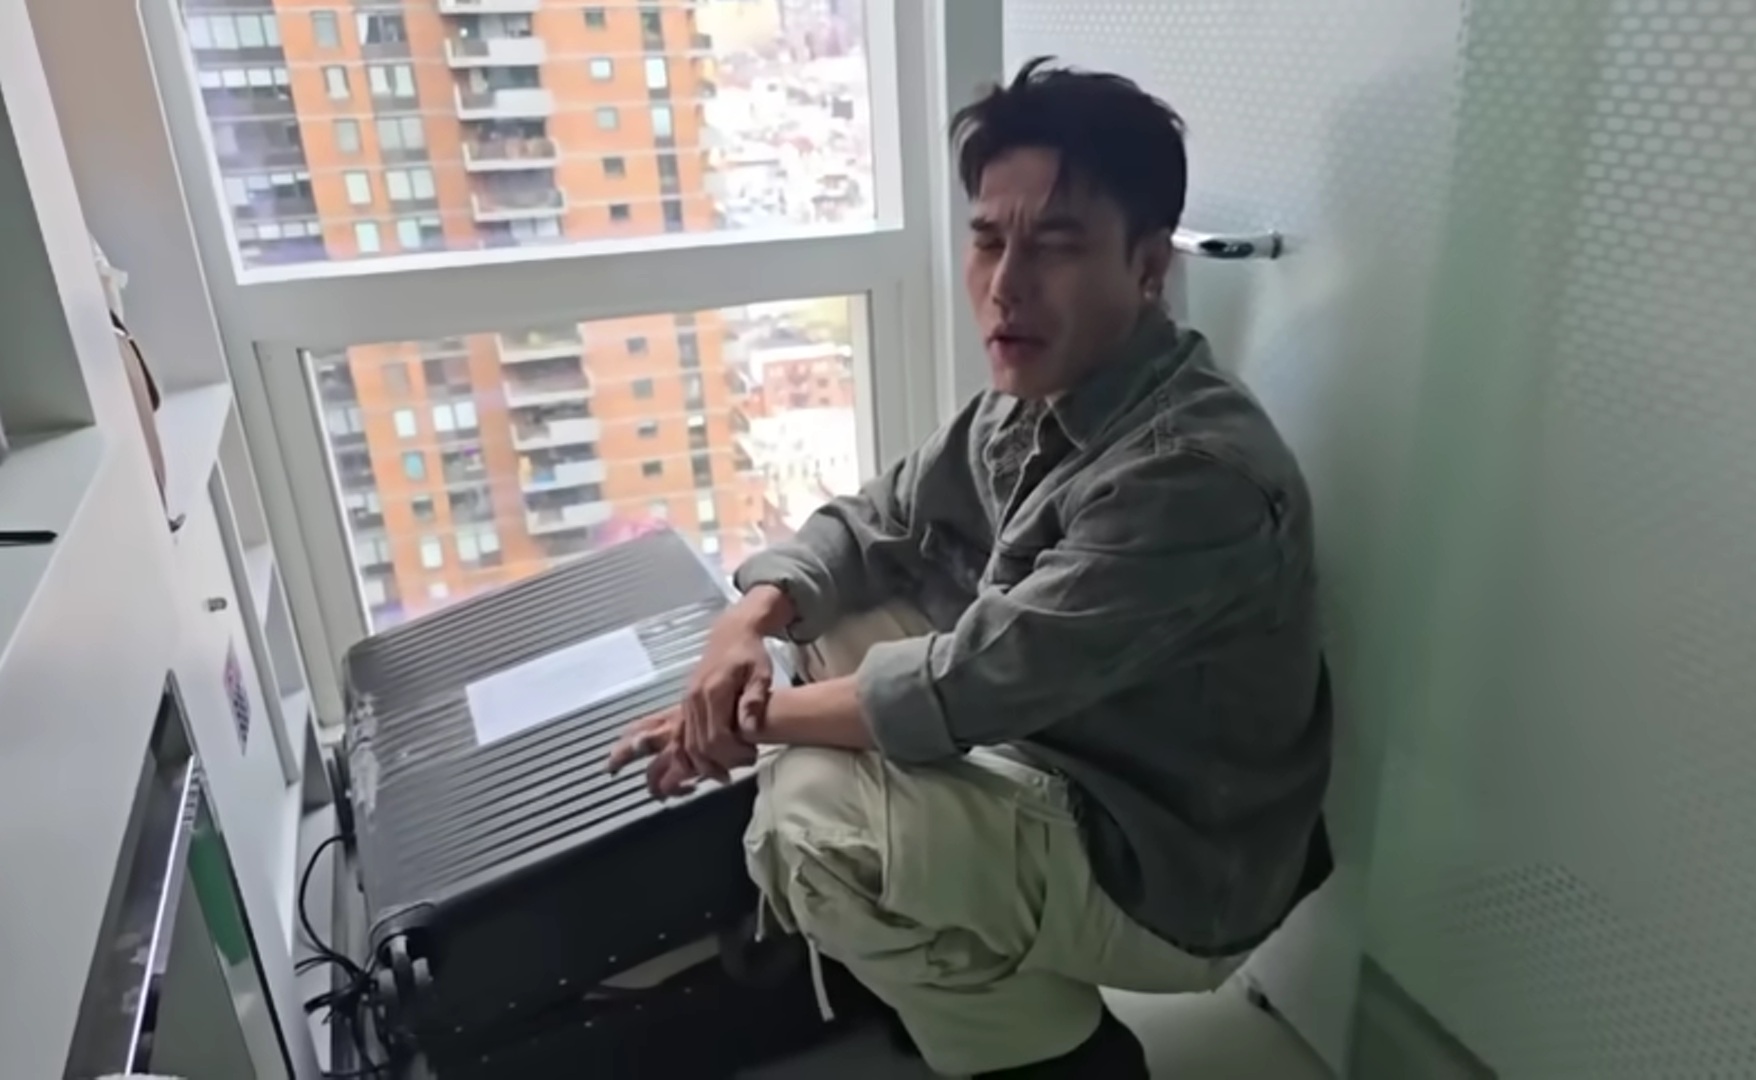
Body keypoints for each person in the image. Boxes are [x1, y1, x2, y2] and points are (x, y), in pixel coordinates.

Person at [610, 57, 1334, 1079]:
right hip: (1070, 743)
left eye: (1056, 245)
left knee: (810, 829)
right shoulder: (1033, 396)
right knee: (820, 622)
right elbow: (875, 523)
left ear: (1146, 265)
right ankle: (950, 951)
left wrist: (736, 721)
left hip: (1170, 862)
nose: (1005, 284)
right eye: (989, 240)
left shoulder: (1191, 475)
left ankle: (1062, 1060)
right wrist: (744, 628)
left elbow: (970, 684)